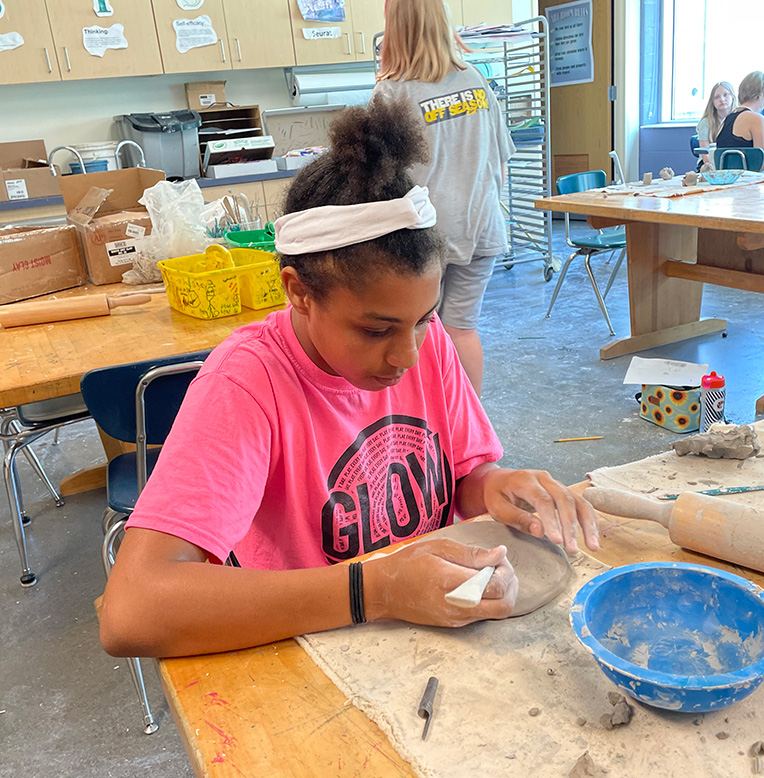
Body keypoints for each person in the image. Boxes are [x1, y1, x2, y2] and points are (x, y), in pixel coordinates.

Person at [98, 98, 599, 660]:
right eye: (375, 330)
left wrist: (493, 485)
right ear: (299, 292)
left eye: (425, 318)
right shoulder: (246, 384)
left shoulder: (423, 342)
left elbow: (462, 475)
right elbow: (131, 611)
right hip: (311, 644)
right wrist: (377, 590)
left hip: (420, 623)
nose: (408, 354)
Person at [370, 0, 515, 396]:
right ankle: (470, 433)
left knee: (418, 332)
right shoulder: (475, 80)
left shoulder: (390, 93)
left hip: (422, 237)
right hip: (482, 226)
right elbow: (500, 162)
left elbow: (378, 183)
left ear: (394, 27)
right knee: (462, 327)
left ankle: (432, 426)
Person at [715, 71, 764, 169]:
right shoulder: (757, 119)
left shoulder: (726, 120)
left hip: (727, 180)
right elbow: (762, 164)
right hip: (748, 180)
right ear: (762, 95)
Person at [696, 81, 736, 149]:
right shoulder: (706, 122)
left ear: (733, 96)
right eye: (717, 97)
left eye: (725, 95)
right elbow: (705, 155)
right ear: (712, 101)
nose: (722, 99)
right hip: (710, 159)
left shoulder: (740, 119)